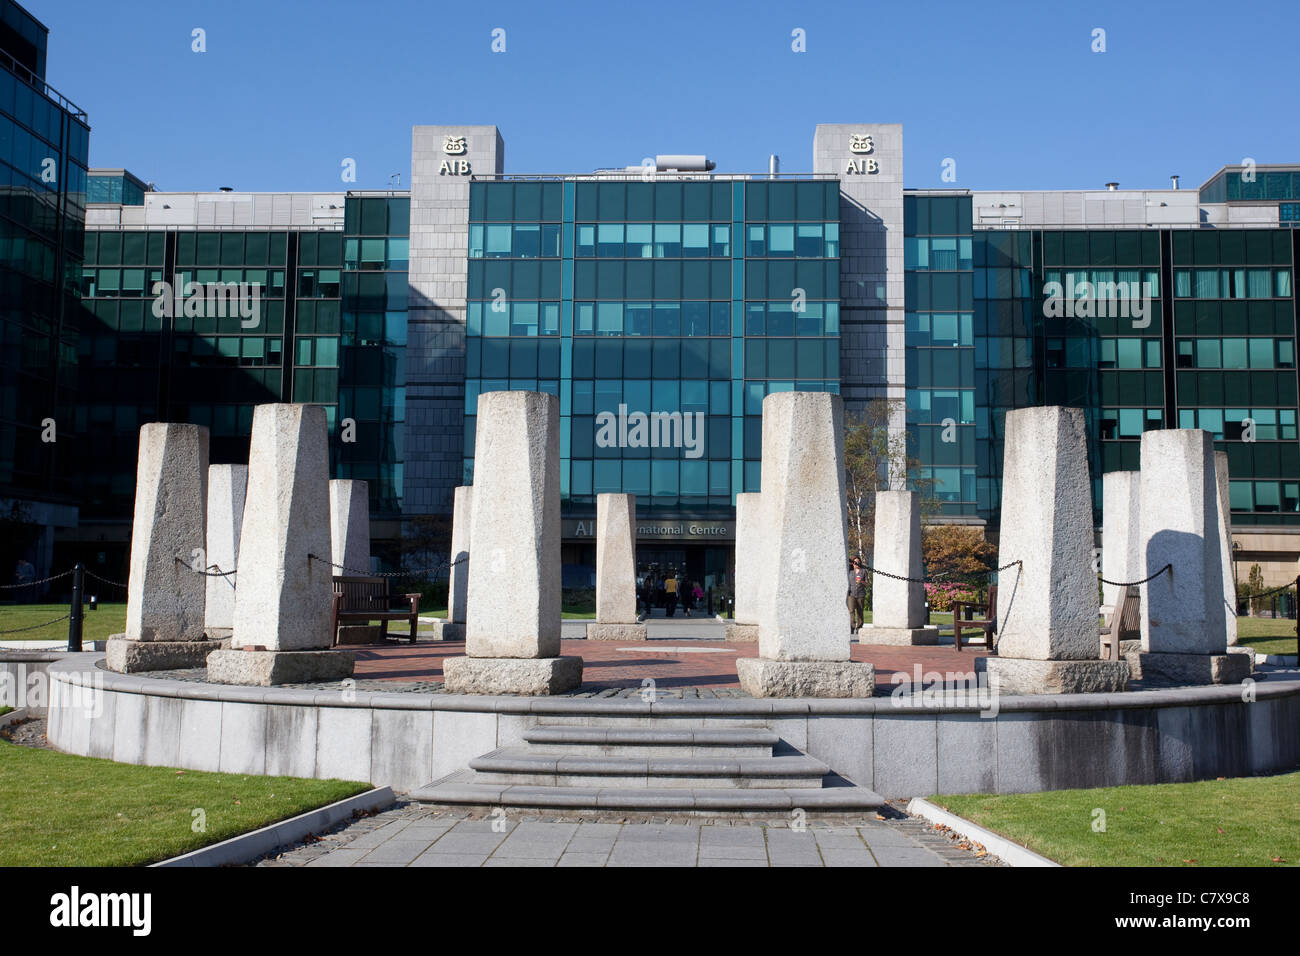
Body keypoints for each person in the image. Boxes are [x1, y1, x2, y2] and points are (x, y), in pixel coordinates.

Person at [847, 555, 867, 634]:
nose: (857, 564)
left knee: (860, 611)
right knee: (851, 611)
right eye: (855, 563)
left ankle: (859, 628)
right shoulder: (849, 572)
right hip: (851, 594)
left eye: (858, 562)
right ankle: (852, 627)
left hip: (861, 594)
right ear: (852, 563)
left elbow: (868, 583)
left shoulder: (863, 571)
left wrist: (861, 582)